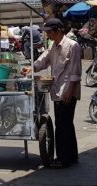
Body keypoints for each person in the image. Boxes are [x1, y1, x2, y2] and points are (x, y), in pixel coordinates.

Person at [24, 18, 82, 168]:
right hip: (57, 90)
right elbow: (44, 59)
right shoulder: (53, 46)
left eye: (49, 32)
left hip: (67, 91)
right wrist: (32, 67)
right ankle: (72, 156)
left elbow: (76, 72)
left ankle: (63, 159)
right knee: (65, 124)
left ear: (57, 30)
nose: (47, 35)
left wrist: (69, 91)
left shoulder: (73, 46)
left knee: (63, 126)